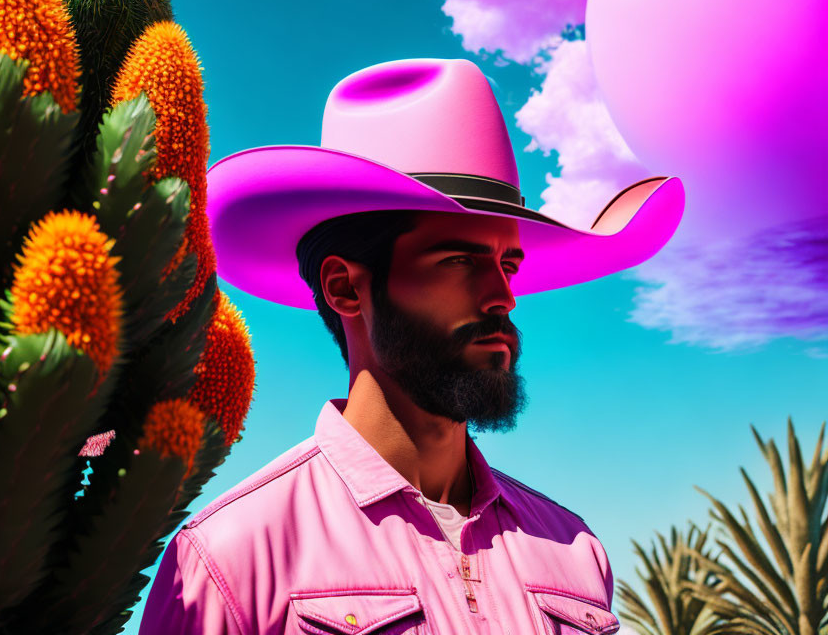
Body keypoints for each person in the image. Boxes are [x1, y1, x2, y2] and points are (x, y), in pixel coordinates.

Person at [140, 58, 684, 634]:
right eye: (458, 261)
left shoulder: (574, 551)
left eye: (508, 263)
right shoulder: (233, 558)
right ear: (346, 287)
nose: (504, 296)